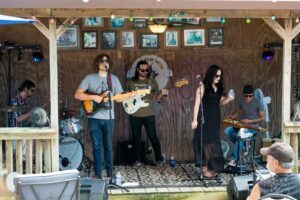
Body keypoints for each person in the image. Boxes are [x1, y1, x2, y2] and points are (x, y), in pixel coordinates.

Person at [74, 54, 125, 179]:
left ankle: (109, 172)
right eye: (102, 61)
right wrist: (94, 97)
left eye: (106, 61)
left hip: (109, 118)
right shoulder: (90, 78)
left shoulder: (113, 79)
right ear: (97, 63)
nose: (104, 63)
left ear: (109, 63)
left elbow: (118, 99)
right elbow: (78, 95)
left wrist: (130, 95)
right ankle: (98, 172)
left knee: (108, 145)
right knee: (97, 146)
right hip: (94, 118)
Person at [191, 64, 234, 178]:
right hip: (204, 118)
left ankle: (213, 168)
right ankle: (206, 167)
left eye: (220, 76)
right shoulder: (202, 87)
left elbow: (220, 102)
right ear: (211, 75)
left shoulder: (219, 88)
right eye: (216, 75)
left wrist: (228, 99)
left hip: (215, 118)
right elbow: (196, 104)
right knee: (203, 141)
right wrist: (194, 120)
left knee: (213, 143)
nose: (218, 78)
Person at [126, 60, 168, 166]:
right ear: (137, 70)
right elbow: (125, 96)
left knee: (153, 136)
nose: (145, 72)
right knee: (136, 138)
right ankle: (137, 160)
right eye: (142, 70)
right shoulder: (130, 81)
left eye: (147, 70)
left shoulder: (152, 81)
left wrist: (161, 94)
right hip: (134, 113)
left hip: (148, 113)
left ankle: (159, 159)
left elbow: (156, 97)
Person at [224, 84, 265, 166]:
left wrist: (250, 121)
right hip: (242, 125)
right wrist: (233, 116)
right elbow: (239, 111)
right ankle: (242, 148)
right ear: (244, 95)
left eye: (250, 96)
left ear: (253, 94)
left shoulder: (258, 103)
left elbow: (262, 118)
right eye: (246, 96)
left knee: (241, 136)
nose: (248, 98)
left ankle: (233, 159)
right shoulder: (242, 102)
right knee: (227, 130)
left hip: (252, 127)